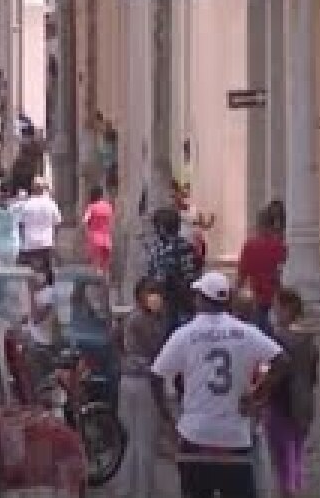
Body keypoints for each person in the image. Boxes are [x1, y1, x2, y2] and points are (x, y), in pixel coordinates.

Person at [151, 271, 289, 498]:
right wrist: (258, 395)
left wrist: (168, 419)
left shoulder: (185, 334)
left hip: (195, 433)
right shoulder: (246, 332)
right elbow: (281, 361)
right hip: (234, 436)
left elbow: (156, 375)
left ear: (201, 299)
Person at [115, 278, 168, 498]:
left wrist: (123, 358)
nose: (156, 296)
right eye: (150, 292)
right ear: (139, 295)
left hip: (128, 378)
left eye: (157, 292)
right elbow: (156, 350)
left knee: (130, 438)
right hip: (144, 382)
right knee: (144, 440)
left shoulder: (131, 317)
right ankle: (142, 490)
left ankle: (126, 489)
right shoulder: (145, 320)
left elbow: (116, 337)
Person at [264, 288, 318, 498]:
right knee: (295, 452)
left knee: (280, 457)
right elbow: (313, 373)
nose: (273, 310)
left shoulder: (277, 339)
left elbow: (272, 371)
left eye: (276, 306)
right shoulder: (309, 341)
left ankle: (287, 492)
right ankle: (294, 489)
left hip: (281, 401)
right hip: (304, 400)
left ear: (286, 309)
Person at [145, 206, 203, 332]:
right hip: (167, 297)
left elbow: (188, 275)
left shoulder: (178, 247)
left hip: (175, 298)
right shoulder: (159, 246)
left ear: (162, 227)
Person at [237, 201, 287, 331]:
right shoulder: (280, 247)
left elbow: (241, 276)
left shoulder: (249, 246)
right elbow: (280, 272)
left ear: (259, 224)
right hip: (275, 298)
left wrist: (233, 297)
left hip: (256, 298)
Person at [16, 178, 62, 284]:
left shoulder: (26, 204)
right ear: (43, 189)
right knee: (48, 274)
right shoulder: (51, 204)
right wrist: (54, 239)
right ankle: (49, 295)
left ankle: (31, 296)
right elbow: (58, 223)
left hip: (30, 244)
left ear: (32, 188)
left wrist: (22, 238)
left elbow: (20, 224)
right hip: (46, 243)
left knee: (29, 275)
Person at [81, 186, 114, 279]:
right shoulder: (108, 206)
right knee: (106, 268)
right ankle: (105, 289)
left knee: (97, 268)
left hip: (95, 239)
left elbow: (84, 221)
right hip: (107, 239)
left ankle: (97, 289)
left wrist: (86, 234)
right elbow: (111, 222)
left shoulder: (91, 207)